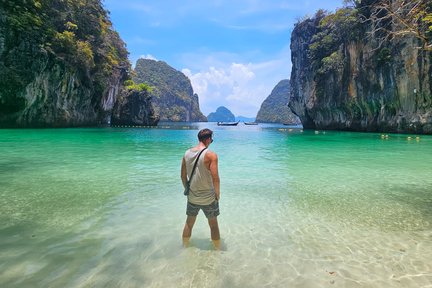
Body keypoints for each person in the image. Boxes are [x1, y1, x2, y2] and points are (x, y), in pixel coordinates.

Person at [181, 128, 221, 249]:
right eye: (211, 139)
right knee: (213, 224)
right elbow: (216, 178)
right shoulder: (211, 155)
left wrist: (188, 190)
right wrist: (217, 195)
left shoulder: (186, 153)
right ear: (208, 139)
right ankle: (217, 251)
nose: (211, 141)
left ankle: (184, 247)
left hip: (192, 196)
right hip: (208, 198)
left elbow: (183, 176)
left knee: (189, 223)